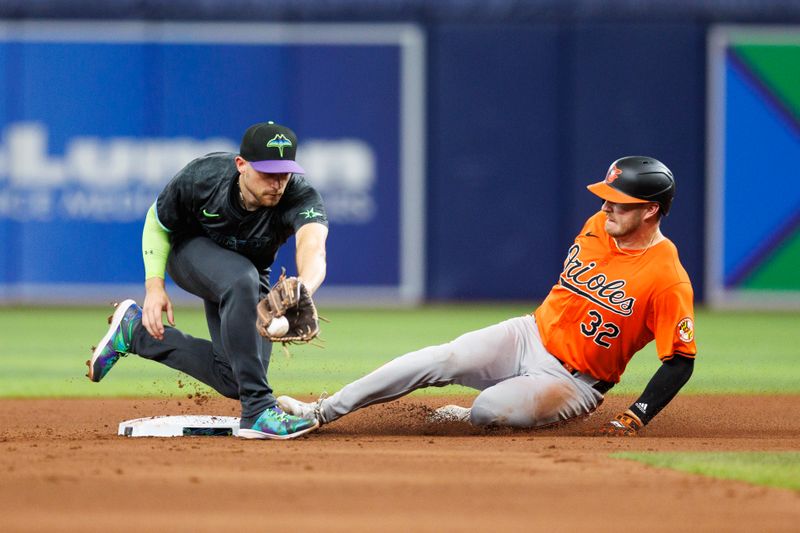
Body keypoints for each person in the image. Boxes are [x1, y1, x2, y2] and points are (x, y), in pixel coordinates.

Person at [278, 156, 696, 436]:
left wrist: (637, 414)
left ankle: (486, 410)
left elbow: (679, 361)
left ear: (651, 210)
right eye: (606, 198)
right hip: (528, 334)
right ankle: (321, 413)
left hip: (574, 380)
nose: (607, 208)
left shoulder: (667, 277)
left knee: (485, 412)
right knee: (439, 358)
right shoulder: (598, 224)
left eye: (620, 203)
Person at [87, 121, 329, 440]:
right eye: (268, 172)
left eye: (284, 172)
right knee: (240, 279)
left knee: (236, 376)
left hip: (249, 273)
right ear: (241, 165)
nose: (278, 182)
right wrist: (154, 286)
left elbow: (312, 246)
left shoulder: (299, 195)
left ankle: (135, 334)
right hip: (188, 253)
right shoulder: (205, 177)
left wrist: (302, 290)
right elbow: (157, 222)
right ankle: (258, 411)